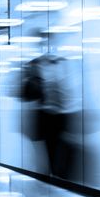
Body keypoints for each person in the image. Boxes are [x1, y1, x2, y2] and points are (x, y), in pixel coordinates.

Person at [20, 31, 83, 180]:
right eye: (43, 43)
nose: (47, 46)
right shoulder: (32, 65)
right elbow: (25, 94)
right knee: (44, 160)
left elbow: (74, 91)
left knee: (61, 159)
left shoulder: (65, 63)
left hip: (63, 116)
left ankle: (59, 181)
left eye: (50, 42)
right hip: (43, 116)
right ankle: (47, 181)